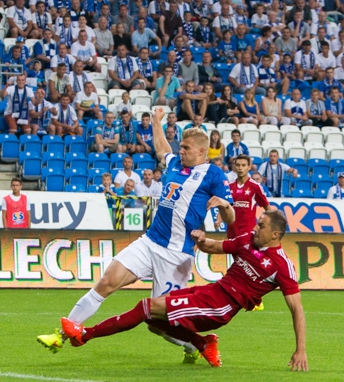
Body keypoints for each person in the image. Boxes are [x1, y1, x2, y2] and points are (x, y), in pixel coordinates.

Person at [38, 108, 235, 357]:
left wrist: (225, 206)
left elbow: (232, 218)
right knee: (107, 281)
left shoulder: (214, 175)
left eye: (185, 148)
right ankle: (61, 335)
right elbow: (163, 148)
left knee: (159, 324)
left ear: (200, 152)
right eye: (181, 146)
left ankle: (198, 344)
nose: (180, 150)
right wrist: (156, 123)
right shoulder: (175, 163)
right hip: (150, 241)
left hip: (176, 255)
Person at [59, 211, 307, 371]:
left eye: (260, 226)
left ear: (275, 234)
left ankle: (84, 336)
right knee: (154, 323)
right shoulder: (246, 240)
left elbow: (297, 310)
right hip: (212, 291)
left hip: (221, 306)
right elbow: (215, 247)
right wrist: (201, 240)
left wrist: (300, 350)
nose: (254, 228)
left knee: (147, 307)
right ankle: (203, 343)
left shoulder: (283, 266)